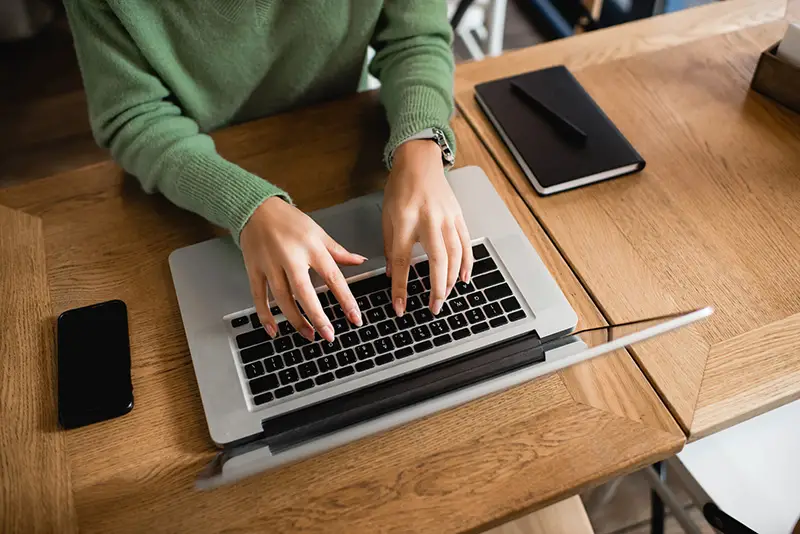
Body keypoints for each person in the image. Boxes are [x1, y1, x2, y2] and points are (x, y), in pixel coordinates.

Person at [64, 1, 473, 345]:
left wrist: (421, 143)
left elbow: (414, 38)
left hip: (340, 132)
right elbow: (134, 117)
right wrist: (246, 205)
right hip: (200, 170)